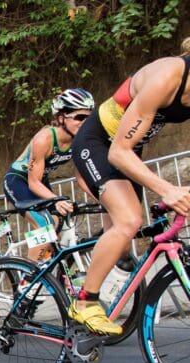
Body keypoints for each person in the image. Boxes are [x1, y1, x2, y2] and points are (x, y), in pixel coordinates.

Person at [70, 38, 190, 336]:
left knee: (125, 242)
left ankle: (100, 281)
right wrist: (167, 189)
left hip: (128, 152)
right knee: (130, 220)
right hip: (99, 144)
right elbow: (118, 153)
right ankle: (84, 303)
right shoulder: (167, 75)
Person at [3, 88, 95, 264]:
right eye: (80, 117)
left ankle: (47, 276)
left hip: (41, 181)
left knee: (59, 227)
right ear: (61, 118)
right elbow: (33, 182)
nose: (85, 123)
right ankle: (28, 280)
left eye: (89, 118)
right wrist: (56, 200)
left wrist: (101, 197)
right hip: (19, 180)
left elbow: (82, 176)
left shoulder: (79, 140)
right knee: (45, 226)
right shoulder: (44, 139)